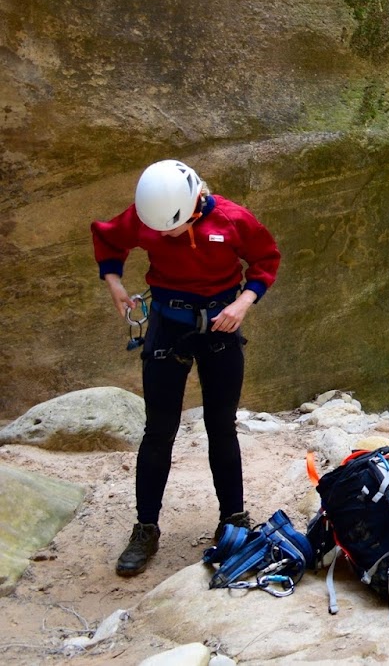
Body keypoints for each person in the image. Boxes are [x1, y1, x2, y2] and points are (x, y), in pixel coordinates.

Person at [90, 159, 281, 577]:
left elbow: (266, 260)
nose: (161, 236)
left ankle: (232, 519)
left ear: (195, 203)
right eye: (156, 229)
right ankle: (145, 527)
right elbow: (109, 238)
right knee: (159, 430)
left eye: (169, 229)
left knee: (221, 424)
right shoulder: (149, 216)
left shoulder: (232, 220)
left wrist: (243, 303)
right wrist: (115, 283)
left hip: (218, 325)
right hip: (167, 324)